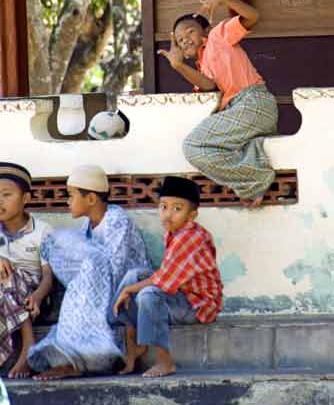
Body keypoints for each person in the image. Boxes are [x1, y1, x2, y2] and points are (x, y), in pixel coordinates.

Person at [28, 164, 151, 380]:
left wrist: (83, 276)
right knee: (56, 243)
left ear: (91, 199)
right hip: (100, 291)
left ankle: (77, 361)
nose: (68, 201)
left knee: (86, 272)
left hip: (128, 288)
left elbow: (112, 267)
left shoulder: (116, 219)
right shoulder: (87, 225)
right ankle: (72, 358)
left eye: (71, 195)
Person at [158, 0, 278, 208]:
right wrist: (178, 66)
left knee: (193, 146)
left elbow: (253, 16)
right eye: (179, 38)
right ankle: (256, 169)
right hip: (241, 113)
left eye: (190, 31)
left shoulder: (218, 36)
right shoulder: (200, 67)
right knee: (205, 149)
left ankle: (257, 179)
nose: (185, 39)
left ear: (204, 31)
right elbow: (208, 86)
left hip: (253, 103)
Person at [108, 176, 223, 378]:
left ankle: (165, 362)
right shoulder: (173, 231)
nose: (168, 215)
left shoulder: (191, 237)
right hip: (182, 293)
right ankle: (134, 348)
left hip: (198, 305)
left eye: (177, 209)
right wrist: (130, 286)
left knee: (148, 295)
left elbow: (162, 281)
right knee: (134, 275)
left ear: (192, 215)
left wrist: (127, 290)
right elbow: (167, 276)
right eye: (163, 207)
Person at [0, 163, 53, 378]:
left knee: (8, 275)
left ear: (25, 199)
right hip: (4, 296)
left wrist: (39, 296)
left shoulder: (42, 231)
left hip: (35, 297)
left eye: (6, 195)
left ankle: (28, 345)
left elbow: (48, 273)